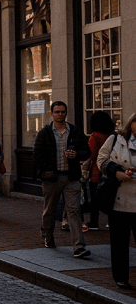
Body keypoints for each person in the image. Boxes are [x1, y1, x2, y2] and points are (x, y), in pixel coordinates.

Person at [32, 100, 91, 258]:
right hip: (51, 178)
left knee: (74, 211)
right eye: (57, 112)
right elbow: (36, 155)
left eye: (62, 112)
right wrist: (47, 169)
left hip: (71, 178)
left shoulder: (75, 131)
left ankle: (79, 246)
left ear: (66, 113)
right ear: (51, 114)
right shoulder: (44, 133)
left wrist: (77, 155)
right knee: (50, 210)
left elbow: (87, 151)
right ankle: (48, 236)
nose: (60, 114)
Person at [96, 112, 136, 289]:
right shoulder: (116, 139)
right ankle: (121, 277)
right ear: (131, 123)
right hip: (119, 198)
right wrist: (117, 171)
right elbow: (101, 160)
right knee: (119, 242)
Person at [85, 111, 115, 231]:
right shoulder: (112, 136)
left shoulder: (95, 136)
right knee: (110, 197)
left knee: (95, 198)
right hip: (111, 170)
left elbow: (91, 155)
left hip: (97, 171)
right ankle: (111, 221)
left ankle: (94, 222)